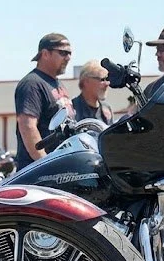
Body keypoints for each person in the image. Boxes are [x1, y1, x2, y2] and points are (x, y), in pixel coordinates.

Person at [14, 33, 75, 169]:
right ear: (45, 54)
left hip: (62, 168)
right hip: (40, 174)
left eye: (70, 53)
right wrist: (45, 164)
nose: (68, 58)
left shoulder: (58, 84)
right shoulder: (32, 83)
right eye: (63, 52)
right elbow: (27, 126)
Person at [71, 60, 113, 124]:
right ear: (86, 81)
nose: (107, 84)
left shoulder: (107, 109)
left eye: (107, 79)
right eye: (102, 79)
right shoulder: (71, 109)